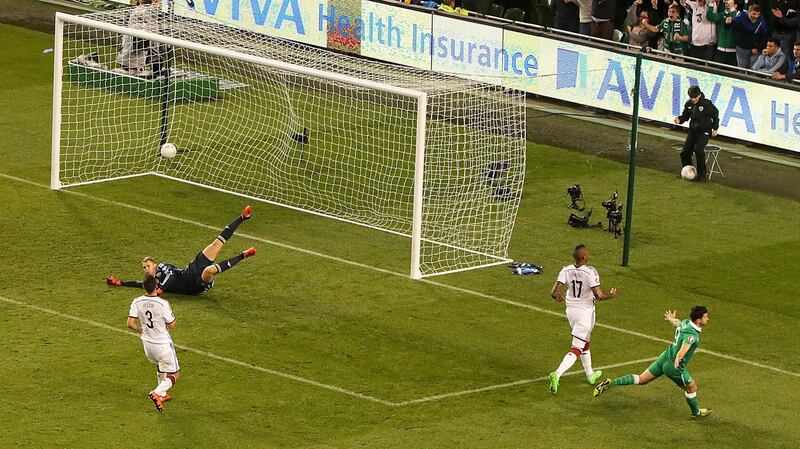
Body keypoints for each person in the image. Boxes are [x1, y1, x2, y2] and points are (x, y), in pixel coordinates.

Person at [106, 206, 256, 295]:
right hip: (195, 284)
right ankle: (242, 256)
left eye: (148, 266)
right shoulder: (153, 282)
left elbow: (171, 277)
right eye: (144, 268)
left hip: (191, 269)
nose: (146, 269)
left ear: (155, 264)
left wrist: (159, 291)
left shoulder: (163, 269)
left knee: (216, 244)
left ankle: (243, 217)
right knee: (210, 271)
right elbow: (139, 284)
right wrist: (119, 282)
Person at [593, 306, 713, 418]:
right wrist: (678, 358)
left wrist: (671, 319)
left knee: (641, 379)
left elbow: (678, 323)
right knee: (692, 388)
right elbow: (684, 349)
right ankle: (696, 412)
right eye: (705, 316)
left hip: (665, 357)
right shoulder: (692, 335)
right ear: (698, 320)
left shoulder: (686, 323)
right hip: (674, 367)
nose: (707, 318)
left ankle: (609, 383)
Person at [548, 244, 618, 395]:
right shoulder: (590, 272)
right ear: (584, 257)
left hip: (571, 312)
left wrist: (558, 296)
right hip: (585, 314)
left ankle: (590, 375)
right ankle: (557, 374)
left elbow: (554, 291)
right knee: (577, 348)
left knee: (585, 341)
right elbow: (598, 296)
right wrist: (610, 295)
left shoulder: (565, 270)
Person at [127, 275, 179, 412]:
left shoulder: (137, 301)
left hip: (148, 346)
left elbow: (130, 323)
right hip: (162, 344)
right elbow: (172, 324)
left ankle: (162, 395)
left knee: (160, 366)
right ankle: (157, 392)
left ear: (144, 287)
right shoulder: (162, 303)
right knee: (175, 374)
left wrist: (140, 330)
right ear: (156, 286)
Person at [674, 85, 719, 182]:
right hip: (693, 131)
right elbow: (685, 116)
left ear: (699, 95)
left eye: (695, 97)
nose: (693, 99)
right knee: (684, 152)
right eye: (691, 97)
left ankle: (702, 175)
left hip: (704, 132)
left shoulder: (706, 104)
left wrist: (715, 128)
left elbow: (715, 114)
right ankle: (688, 172)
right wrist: (679, 119)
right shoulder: (689, 104)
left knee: (698, 149)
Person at [732, 4, 768, 69]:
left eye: (758, 14)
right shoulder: (741, 17)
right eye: (754, 14)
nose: (756, 16)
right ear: (748, 12)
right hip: (742, 48)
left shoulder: (761, 19)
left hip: (755, 50)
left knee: (753, 69)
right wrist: (728, 22)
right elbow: (732, 25)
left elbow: (764, 36)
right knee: (742, 68)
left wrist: (758, 48)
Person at [707, 0, 740, 66]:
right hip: (720, 50)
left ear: (735, 5)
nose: (727, 3)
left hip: (733, 52)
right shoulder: (722, 15)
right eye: (726, 2)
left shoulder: (740, 16)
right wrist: (711, 3)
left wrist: (732, 8)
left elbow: (736, 21)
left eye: (730, 2)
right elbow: (709, 16)